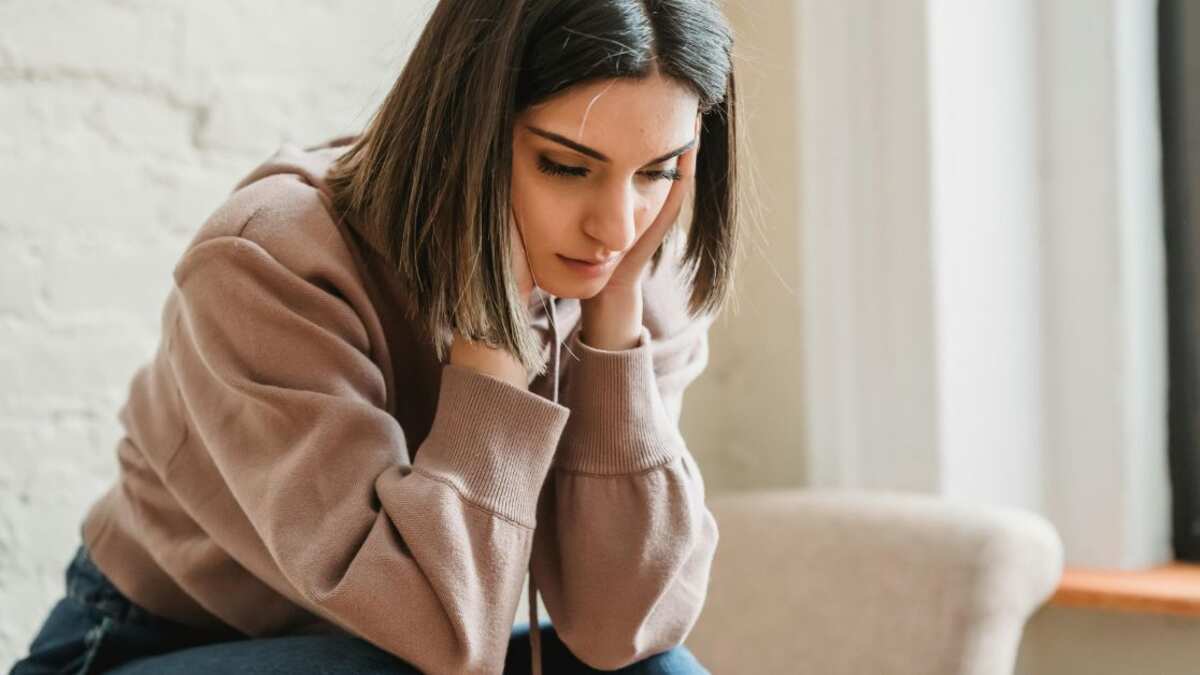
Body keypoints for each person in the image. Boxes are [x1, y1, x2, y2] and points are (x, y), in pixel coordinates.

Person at [10, 0, 741, 673]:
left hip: (410, 646)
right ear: (463, 127)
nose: (617, 228)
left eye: (656, 172)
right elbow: (440, 637)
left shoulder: (638, 274)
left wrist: (614, 333)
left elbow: (623, 630)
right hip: (153, 642)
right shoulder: (271, 261)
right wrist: (492, 333)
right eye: (566, 166)